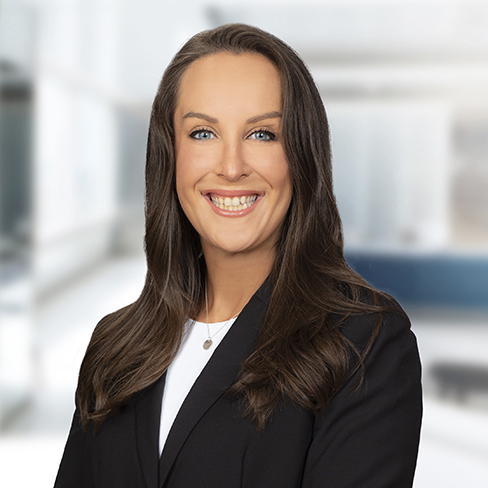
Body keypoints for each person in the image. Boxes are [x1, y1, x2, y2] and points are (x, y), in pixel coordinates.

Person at [54, 23, 422, 488]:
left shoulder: (365, 345)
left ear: (302, 154)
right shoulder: (115, 348)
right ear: (170, 156)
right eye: (203, 133)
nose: (231, 166)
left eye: (263, 134)